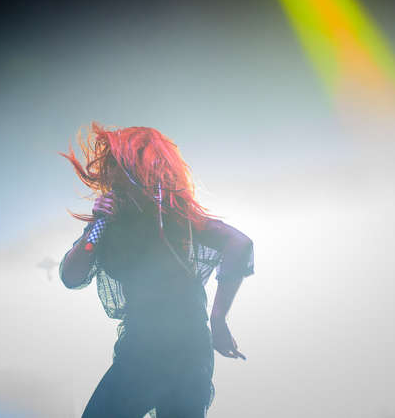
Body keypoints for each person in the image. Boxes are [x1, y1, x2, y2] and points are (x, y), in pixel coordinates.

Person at [58, 122, 254, 418]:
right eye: (110, 168)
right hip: (140, 346)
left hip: (184, 344)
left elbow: (239, 243)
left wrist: (218, 319)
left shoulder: (173, 216)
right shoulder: (109, 225)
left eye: (120, 168)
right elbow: (71, 276)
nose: (113, 177)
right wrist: (95, 227)